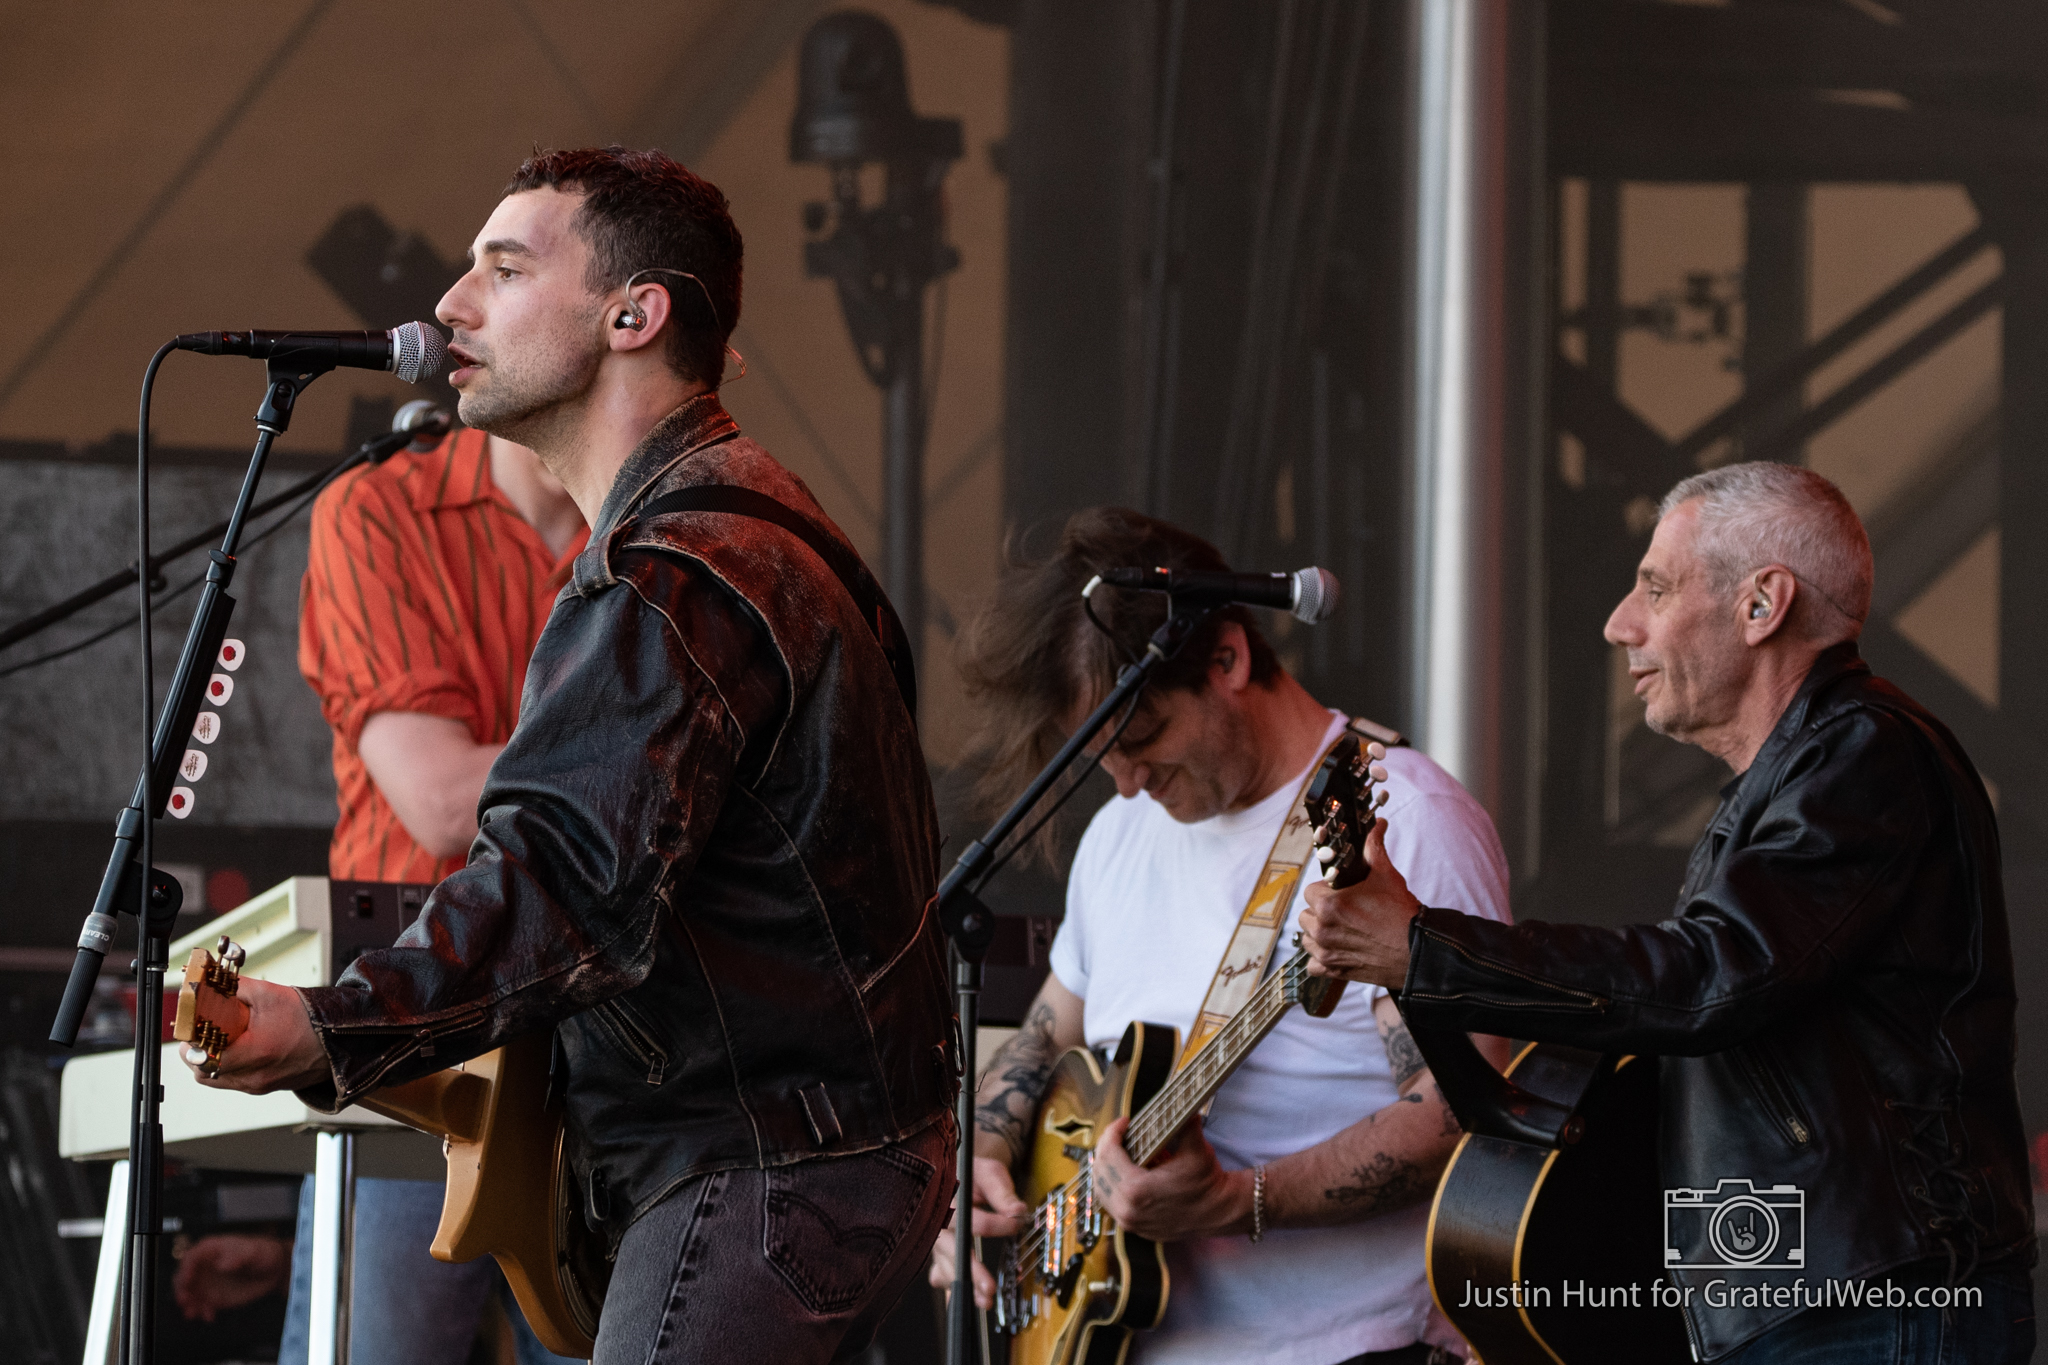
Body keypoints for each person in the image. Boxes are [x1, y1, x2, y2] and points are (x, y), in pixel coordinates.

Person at [187, 145, 955, 1365]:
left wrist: (334, 1025)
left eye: (501, 268)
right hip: (810, 1152)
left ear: (632, 314)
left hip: (754, 1165)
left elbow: (561, 877)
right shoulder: (759, 529)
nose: (448, 306)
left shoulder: (675, 570)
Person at [1300, 462, 2035, 1364]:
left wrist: (1425, 948)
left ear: (1763, 605)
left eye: (1656, 585)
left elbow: (1708, 980)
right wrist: (1416, 963)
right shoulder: (1791, 780)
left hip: (1868, 1305)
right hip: (1803, 1294)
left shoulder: (1864, 750)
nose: (1620, 623)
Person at [931, 507, 1513, 1364]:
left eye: (1143, 737)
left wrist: (1239, 1199)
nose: (1127, 783)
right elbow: (1049, 1028)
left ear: (1229, 658)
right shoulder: (1117, 837)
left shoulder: (1400, 822)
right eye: (1100, 758)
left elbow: (1461, 1108)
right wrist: (985, 1148)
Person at [283, 420, 589, 1364]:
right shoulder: (377, 509)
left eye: (503, 266)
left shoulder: (668, 526)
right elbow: (442, 802)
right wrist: (641, 750)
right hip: (415, 1039)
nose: (459, 309)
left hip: (610, 1041)